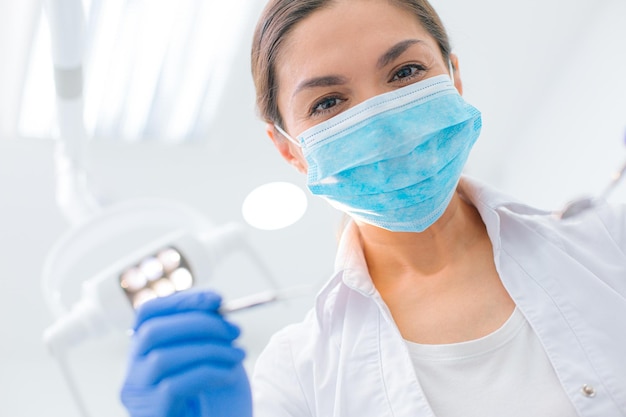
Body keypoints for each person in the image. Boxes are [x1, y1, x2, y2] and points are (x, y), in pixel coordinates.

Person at [120, 0, 626, 416]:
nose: (379, 119)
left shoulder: (607, 244)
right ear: (289, 149)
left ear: (453, 75)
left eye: (405, 71)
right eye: (327, 103)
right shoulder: (297, 377)